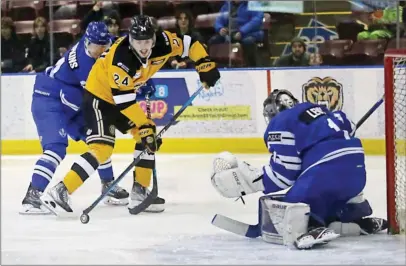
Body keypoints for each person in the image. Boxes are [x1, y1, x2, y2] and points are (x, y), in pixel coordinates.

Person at [40, 15, 221, 216]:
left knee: (149, 135)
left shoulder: (164, 42)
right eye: (138, 42)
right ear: (130, 40)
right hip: (99, 97)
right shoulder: (121, 58)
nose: (143, 47)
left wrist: (204, 63)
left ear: (154, 39)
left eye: (147, 42)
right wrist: (143, 125)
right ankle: (60, 190)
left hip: (119, 99)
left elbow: (190, 43)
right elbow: (123, 101)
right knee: (102, 148)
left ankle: (140, 191)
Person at [210, 89, 387, 249]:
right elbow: (348, 125)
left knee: (292, 203)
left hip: (326, 174)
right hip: (357, 175)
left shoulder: (280, 122)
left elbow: (284, 175)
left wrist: (247, 182)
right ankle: (354, 219)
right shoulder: (321, 112)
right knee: (327, 189)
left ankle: (311, 227)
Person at [20, 22, 129, 215]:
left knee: (99, 137)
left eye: (105, 45)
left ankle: (108, 185)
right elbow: (103, 97)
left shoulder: (105, 43)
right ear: (87, 42)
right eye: (98, 46)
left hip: (72, 101)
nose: (102, 50)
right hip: (49, 99)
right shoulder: (83, 63)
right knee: (56, 148)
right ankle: (33, 196)